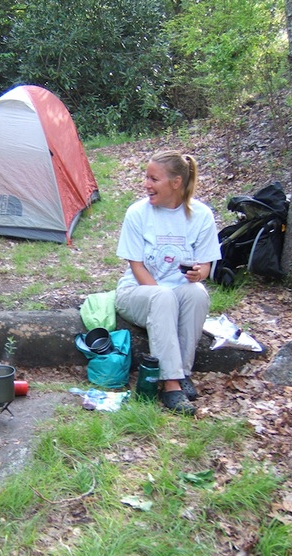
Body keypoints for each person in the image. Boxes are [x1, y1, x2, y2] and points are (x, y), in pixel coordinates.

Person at [115, 150, 221, 415]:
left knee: (197, 293)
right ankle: (171, 385)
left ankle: (182, 372)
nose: (146, 184)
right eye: (146, 177)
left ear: (176, 183)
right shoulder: (138, 213)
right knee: (163, 297)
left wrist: (199, 273)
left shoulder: (202, 215)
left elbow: (206, 265)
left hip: (176, 294)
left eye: (154, 179)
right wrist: (165, 297)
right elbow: (136, 266)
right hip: (137, 293)